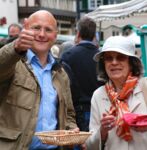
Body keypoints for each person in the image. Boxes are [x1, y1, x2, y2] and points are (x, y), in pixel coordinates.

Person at [0, 10, 78, 150]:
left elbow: (69, 114)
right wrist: (16, 48)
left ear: (55, 35)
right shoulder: (13, 62)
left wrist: (71, 129)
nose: (42, 34)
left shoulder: (61, 74)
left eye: (48, 30)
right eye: (36, 28)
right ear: (25, 29)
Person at [85, 35, 147, 150]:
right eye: (109, 58)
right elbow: (90, 146)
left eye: (120, 57)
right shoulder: (98, 95)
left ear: (131, 62)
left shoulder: (145, 88)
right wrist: (102, 131)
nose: (114, 62)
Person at [61, 17, 104, 132]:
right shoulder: (102, 57)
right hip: (100, 109)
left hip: (76, 111)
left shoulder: (67, 55)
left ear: (78, 33)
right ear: (94, 35)